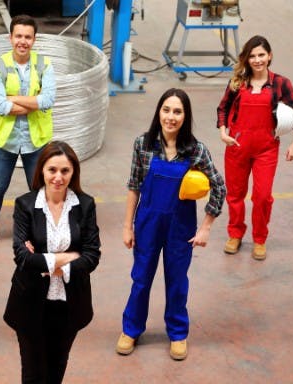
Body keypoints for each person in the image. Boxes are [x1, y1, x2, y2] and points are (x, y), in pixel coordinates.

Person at [116, 88, 226, 361]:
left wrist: (206, 226)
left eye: (177, 111)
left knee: (177, 282)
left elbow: (219, 187)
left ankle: (178, 333)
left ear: (185, 116)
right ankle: (131, 329)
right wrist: (127, 225)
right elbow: (134, 186)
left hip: (180, 228)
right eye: (166, 110)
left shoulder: (196, 150)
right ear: (158, 112)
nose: (171, 117)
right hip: (148, 223)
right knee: (141, 279)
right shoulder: (143, 144)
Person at [4, 141, 101, 383]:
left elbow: (92, 256)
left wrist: (47, 263)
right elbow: (22, 257)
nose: (58, 177)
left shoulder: (85, 204)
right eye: (52, 170)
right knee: (33, 373)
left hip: (68, 303)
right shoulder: (25, 204)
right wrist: (68, 257)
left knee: (57, 368)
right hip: (30, 303)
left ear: (73, 173)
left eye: (65, 171)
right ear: (42, 171)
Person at [0, 14, 56, 257]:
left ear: (34, 39)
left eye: (27, 37)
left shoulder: (44, 65)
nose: (23, 41)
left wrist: (14, 99)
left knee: (38, 189)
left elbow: (48, 100)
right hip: (5, 139)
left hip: (35, 139)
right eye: (18, 36)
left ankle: (39, 234)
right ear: (10, 38)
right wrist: (33, 102)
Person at [216, 35, 293, 260]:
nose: (257, 60)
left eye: (261, 55)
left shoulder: (280, 83)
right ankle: (235, 234)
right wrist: (223, 132)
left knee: (263, 196)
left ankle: (259, 238)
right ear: (246, 59)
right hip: (237, 146)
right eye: (252, 56)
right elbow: (223, 108)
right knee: (235, 195)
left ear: (270, 56)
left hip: (266, 149)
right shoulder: (238, 82)